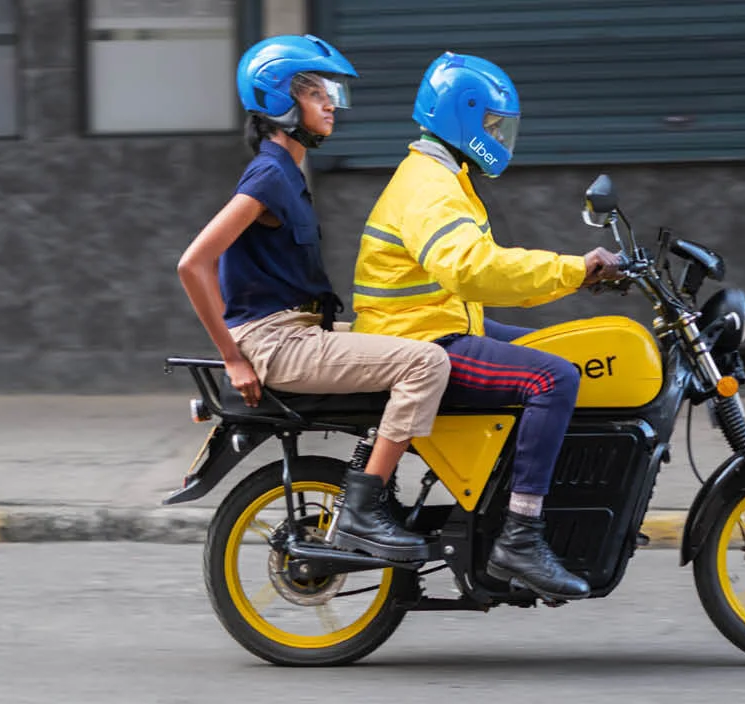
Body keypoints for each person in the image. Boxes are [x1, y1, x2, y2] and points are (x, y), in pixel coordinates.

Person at [349, 51, 623, 601]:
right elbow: (474, 269)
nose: (499, 135)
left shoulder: (444, 176)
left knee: (563, 349)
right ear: (463, 117)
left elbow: (475, 273)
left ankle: (518, 495)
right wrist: (573, 269)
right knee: (555, 378)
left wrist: (580, 276)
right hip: (419, 338)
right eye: (493, 124)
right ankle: (521, 533)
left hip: (437, 321)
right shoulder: (430, 186)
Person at [176, 34, 450, 562]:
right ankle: (363, 513)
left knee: (423, 340)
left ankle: (374, 487)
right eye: (314, 91)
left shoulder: (287, 172)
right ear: (279, 99)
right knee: (426, 364)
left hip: (302, 333)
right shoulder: (269, 174)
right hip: (276, 341)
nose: (329, 102)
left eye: (330, 91)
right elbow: (194, 263)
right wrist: (233, 357)